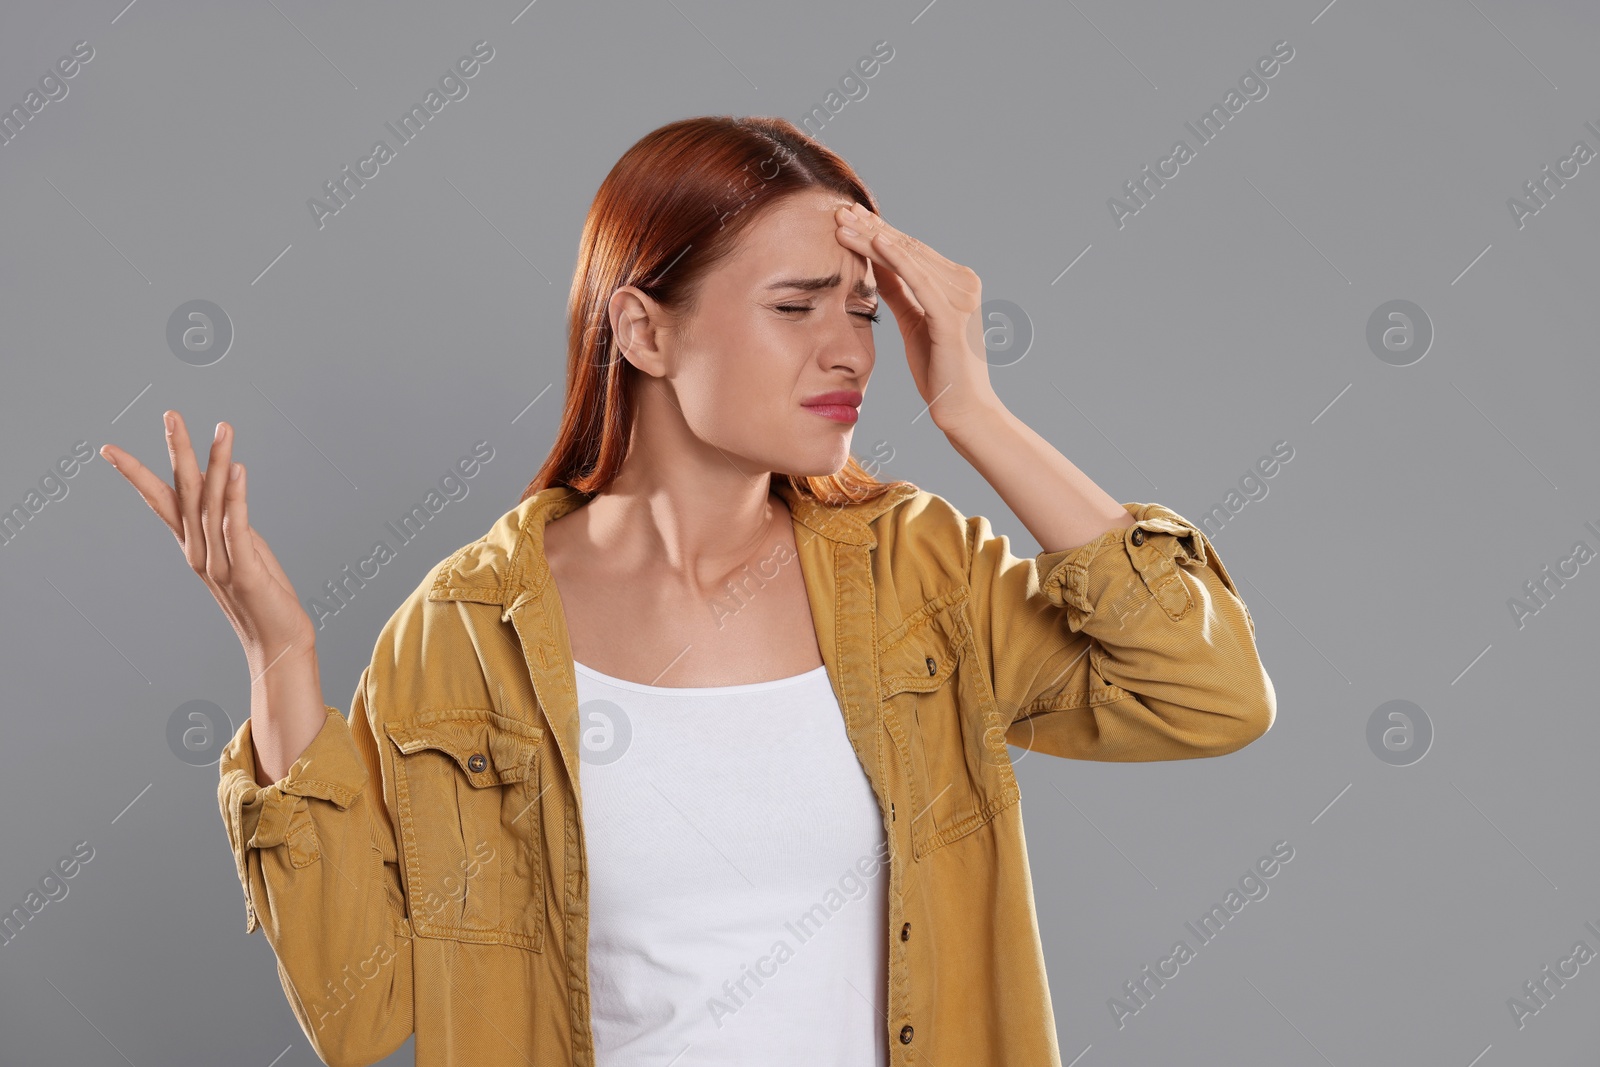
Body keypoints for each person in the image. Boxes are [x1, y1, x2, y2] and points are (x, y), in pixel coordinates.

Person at [100, 115, 1275, 1067]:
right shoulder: (465, 634)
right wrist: (280, 660)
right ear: (642, 330)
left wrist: (974, 411)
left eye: (864, 309)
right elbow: (362, 1015)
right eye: (796, 304)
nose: (852, 350)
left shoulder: (922, 572)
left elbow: (1208, 695)